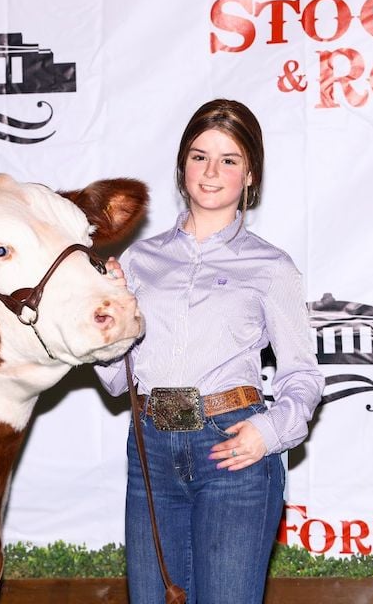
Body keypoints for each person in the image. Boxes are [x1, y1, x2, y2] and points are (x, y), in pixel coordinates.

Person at [95, 98, 324, 603]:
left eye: (229, 160)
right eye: (199, 156)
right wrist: (107, 321)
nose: (212, 172)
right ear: (182, 168)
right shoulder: (140, 258)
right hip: (151, 446)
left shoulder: (271, 266)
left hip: (232, 450)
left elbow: (301, 374)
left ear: (250, 176)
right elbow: (116, 379)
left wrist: (271, 431)